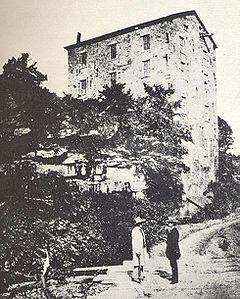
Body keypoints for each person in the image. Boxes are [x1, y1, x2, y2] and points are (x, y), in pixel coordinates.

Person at [131, 216, 149, 283]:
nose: (142, 224)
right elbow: (136, 241)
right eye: (140, 223)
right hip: (138, 248)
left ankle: (140, 275)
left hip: (142, 248)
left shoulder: (140, 230)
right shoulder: (135, 230)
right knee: (137, 263)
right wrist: (137, 250)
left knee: (141, 263)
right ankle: (135, 276)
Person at [165, 217, 181, 284]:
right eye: (168, 223)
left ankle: (175, 279)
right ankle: (174, 277)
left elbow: (173, 242)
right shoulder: (171, 231)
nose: (169, 224)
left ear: (173, 224)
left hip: (173, 250)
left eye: (170, 223)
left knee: (174, 264)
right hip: (171, 250)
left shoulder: (174, 231)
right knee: (172, 264)